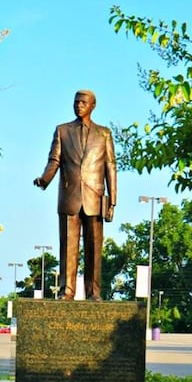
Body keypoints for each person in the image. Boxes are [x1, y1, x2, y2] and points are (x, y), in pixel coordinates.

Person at [33, 89, 117, 299]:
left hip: (95, 198)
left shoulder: (104, 133)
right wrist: (45, 179)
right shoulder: (62, 131)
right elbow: (54, 160)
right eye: (76, 102)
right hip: (69, 197)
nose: (78, 105)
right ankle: (67, 291)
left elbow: (111, 166)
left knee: (94, 250)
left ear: (92, 106)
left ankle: (93, 292)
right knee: (68, 248)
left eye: (83, 102)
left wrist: (112, 201)